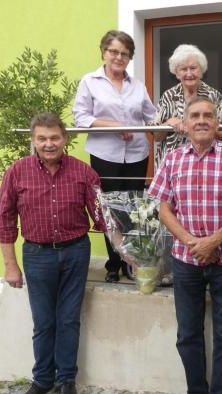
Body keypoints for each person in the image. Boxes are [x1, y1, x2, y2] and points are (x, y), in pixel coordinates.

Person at [147, 96, 222, 394]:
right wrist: (194, 242)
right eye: (195, 115)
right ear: (186, 122)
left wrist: (215, 240)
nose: (202, 120)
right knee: (188, 332)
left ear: (217, 122)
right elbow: (163, 208)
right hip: (186, 261)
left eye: (208, 115)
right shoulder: (173, 158)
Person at [0, 112, 105, 394]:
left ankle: (66, 381)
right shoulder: (17, 172)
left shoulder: (83, 172)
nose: (48, 144)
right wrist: (10, 264)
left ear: (65, 139)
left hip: (75, 252)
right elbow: (5, 221)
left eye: (54, 137)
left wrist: (131, 249)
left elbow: (102, 217)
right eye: (42, 138)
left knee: (69, 319)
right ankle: (42, 380)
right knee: (44, 322)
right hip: (37, 255)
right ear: (33, 140)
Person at [73, 30, 156, 283]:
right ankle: (114, 262)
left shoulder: (137, 85)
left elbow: (150, 117)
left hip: (136, 155)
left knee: (132, 210)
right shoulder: (90, 81)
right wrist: (112, 125)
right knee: (108, 208)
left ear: (129, 57)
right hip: (104, 154)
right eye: (114, 52)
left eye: (124, 53)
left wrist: (168, 124)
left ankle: (132, 264)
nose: (119, 57)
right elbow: (81, 117)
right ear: (104, 52)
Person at [152, 44, 222, 172]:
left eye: (193, 68)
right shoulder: (168, 96)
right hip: (173, 166)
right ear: (177, 73)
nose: (189, 73)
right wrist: (168, 123)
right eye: (184, 69)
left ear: (201, 70)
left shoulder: (213, 96)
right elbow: (157, 137)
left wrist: (202, 125)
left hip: (207, 162)